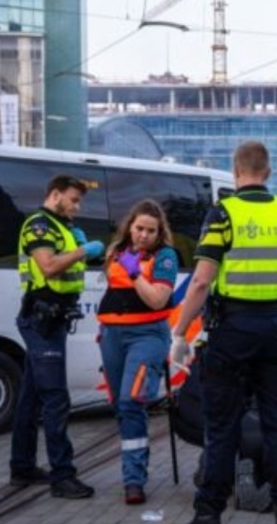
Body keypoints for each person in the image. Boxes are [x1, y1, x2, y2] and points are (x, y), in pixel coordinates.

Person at [160, 141, 277, 524]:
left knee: (221, 427)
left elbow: (201, 280)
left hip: (232, 331)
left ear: (236, 171)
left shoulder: (223, 214)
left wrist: (180, 333)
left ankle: (208, 522)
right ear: (268, 172)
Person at [10, 174, 102, 499]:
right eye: (73, 200)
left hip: (53, 320)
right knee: (56, 398)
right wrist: (82, 250)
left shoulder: (60, 226)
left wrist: (78, 247)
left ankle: (22, 467)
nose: (77, 207)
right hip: (41, 320)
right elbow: (48, 266)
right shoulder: (39, 225)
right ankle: (63, 476)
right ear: (55, 194)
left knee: (31, 397)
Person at [97, 199, 179, 505]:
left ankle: (133, 480)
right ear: (130, 226)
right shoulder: (117, 251)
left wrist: (135, 274)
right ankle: (133, 469)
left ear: (159, 233)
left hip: (147, 335)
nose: (143, 235)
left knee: (131, 400)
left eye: (150, 231)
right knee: (120, 405)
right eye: (139, 228)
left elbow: (157, 300)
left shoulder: (165, 257)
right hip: (112, 335)